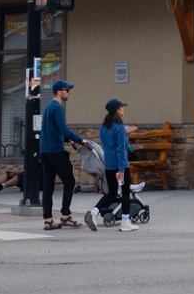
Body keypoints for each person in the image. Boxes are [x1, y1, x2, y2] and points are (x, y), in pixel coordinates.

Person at [39, 79, 87, 230]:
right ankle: (65, 216)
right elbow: (64, 129)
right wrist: (79, 140)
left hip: (45, 152)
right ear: (59, 91)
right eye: (67, 90)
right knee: (70, 181)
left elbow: (55, 130)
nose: (69, 92)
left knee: (48, 187)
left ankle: (48, 220)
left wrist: (67, 140)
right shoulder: (58, 108)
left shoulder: (48, 107)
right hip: (55, 152)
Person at [87, 99, 137, 232]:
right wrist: (121, 169)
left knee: (112, 194)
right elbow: (121, 149)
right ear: (117, 110)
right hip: (120, 166)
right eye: (122, 107)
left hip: (109, 165)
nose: (123, 109)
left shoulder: (104, 127)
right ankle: (125, 222)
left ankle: (94, 212)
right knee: (126, 193)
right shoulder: (119, 128)